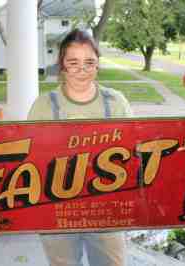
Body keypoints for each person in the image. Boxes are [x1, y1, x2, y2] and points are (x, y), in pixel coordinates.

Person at [28, 29, 132, 266]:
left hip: (107, 209)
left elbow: (134, 153)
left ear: (98, 64)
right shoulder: (44, 106)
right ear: (62, 65)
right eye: (73, 62)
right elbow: (32, 159)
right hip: (58, 209)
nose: (82, 70)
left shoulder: (116, 103)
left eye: (89, 62)